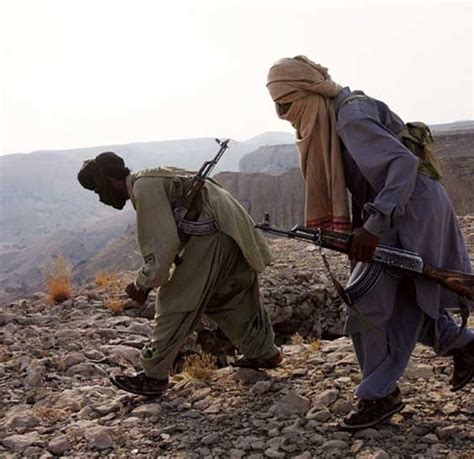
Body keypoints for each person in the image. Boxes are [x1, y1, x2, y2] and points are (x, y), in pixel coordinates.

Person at [266, 55, 474, 430]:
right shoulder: (341, 113)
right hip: (403, 207)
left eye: (286, 104)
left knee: (366, 301)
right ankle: (464, 345)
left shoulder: (350, 116)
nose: (284, 115)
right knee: (408, 294)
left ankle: (379, 395)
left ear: (307, 92)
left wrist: (373, 226)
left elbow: (402, 166)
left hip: (410, 208)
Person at [77, 152, 282, 395]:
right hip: (231, 229)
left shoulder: (144, 188)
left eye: (99, 190)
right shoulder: (152, 175)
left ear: (110, 180)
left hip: (213, 234)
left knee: (174, 301)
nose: (101, 198)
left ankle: (153, 376)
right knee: (224, 297)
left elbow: (162, 248)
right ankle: (263, 352)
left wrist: (141, 284)